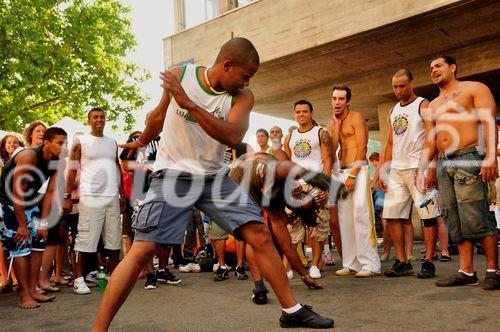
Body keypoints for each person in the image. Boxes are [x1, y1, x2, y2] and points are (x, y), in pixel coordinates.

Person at [92, 37, 333, 330]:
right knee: (143, 248)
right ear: (227, 64)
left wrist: (189, 103)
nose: (247, 82)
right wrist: (142, 140)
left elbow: (232, 136)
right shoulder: (183, 76)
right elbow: (159, 115)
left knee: (258, 233)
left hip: (213, 179)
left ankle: (291, 310)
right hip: (173, 175)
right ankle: (98, 328)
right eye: (245, 75)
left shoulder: (242, 96)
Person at [417, 55, 500, 289]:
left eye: (438, 66)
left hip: (469, 157)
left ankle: (493, 270)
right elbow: (432, 140)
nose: (433, 70)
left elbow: (488, 122)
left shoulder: (473, 89)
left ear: (452, 67)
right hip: (444, 162)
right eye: (430, 67)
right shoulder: (433, 105)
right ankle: (466, 271)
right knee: (454, 218)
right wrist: (428, 169)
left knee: (477, 215)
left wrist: (491, 156)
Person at [229, 152, 330, 304]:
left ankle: (259, 289)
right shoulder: (290, 182)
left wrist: (304, 275)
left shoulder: (276, 207)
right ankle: (259, 287)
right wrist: (322, 183)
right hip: (240, 176)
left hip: (245, 178)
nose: (301, 199)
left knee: (255, 235)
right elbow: (279, 163)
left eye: (301, 202)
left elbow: (287, 246)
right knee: (254, 234)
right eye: (304, 197)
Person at [378, 69, 440, 279]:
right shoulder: (393, 109)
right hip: (397, 169)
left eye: (402, 86)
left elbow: (434, 136)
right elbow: (389, 142)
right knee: (393, 216)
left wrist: (431, 168)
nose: (398, 90)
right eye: (395, 87)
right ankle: (403, 261)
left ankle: (429, 261)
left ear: (411, 84)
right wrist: (382, 170)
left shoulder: (423, 104)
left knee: (428, 216)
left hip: (418, 167)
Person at [0, 127, 67, 308]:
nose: (64, 147)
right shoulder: (28, 156)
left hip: (33, 201)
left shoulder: (58, 161)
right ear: (46, 143)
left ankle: (33, 290)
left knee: (38, 243)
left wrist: (43, 223)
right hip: (9, 203)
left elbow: (50, 192)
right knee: (21, 246)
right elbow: (16, 193)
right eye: (60, 143)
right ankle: (24, 295)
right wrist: (22, 225)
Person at [65, 108, 125, 295]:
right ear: (89, 120)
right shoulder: (80, 142)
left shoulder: (112, 142)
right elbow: (72, 170)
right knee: (85, 241)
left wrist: (121, 193)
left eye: (102, 116)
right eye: (95, 117)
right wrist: (67, 196)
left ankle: (114, 278)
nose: (99, 119)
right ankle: (78, 279)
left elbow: (117, 167)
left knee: (113, 240)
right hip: (90, 197)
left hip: (111, 197)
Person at [328, 85, 381, 277]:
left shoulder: (356, 117)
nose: (337, 102)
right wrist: (334, 127)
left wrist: (353, 175)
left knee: (362, 215)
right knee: (345, 219)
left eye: (341, 99)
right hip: (341, 171)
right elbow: (332, 149)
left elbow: (362, 147)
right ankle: (351, 263)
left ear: (348, 101)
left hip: (358, 170)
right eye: (334, 99)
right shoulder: (332, 123)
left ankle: (370, 264)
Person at [283, 99, 333, 279]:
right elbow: (286, 164)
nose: (301, 114)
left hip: (316, 183)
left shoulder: (321, 133)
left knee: (318, 226)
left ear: (311, 113)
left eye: (305, 111)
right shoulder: (289, 137)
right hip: (296, 186)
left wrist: (325, 187)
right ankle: (287, 267)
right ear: (294, 114)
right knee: (291, 227)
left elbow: (328, 160)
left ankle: (315, 265)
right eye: (298, 112)